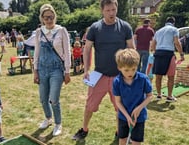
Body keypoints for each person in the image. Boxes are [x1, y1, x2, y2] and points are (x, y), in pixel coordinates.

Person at [72, 0, 136, 140]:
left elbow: (132, 49)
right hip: (98, 75)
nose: (111, 13)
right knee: (90, 106)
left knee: (121, 108)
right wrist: (86, 70)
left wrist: (131, 71)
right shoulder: (95, 28)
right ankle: (84, 129)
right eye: (108, 10)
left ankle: (120, 132)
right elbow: (87, 49)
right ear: (102, 11)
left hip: (119, 77)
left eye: (113, 10)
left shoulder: (125, 27)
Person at [33, 3, 71, 136]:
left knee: (53, 99)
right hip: (42, 69)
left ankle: (58, 123)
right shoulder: (39, 32)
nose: (49, 19)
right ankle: (48, 118)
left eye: (51, 16)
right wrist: (35, 70)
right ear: (42, 18)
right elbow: (36, 52)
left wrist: (67, 71)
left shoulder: (61, 31)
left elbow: (67, 52)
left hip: (56, 70)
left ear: (55, 16)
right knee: (43, 99)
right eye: (46, 17)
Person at [113, 48, 153, 145]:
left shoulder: (143, 79)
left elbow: (150, 96)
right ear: (119, 67)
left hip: (139, 117)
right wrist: (127, 116)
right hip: (123, 116)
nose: (130, 73)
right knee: (122, 140)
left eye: (133, 69)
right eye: (126, 70)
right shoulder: (117, 81)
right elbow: (118, 102)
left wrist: (139, 108)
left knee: (136, 142)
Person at [151, 16, 184, 102]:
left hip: (158, 53)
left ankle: (158, 95)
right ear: (173, 23)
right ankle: (169, 96)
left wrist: (155, 52)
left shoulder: (158, 31)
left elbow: (153, 44)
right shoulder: (174, 29)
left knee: (158, 76)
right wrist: (181, 54)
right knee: (171, 76)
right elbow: (177, 42)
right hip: (168, 53)